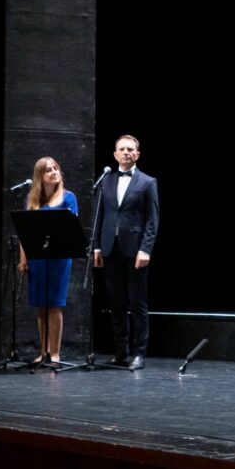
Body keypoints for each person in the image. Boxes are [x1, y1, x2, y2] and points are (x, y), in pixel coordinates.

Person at [93, 135, 160, 371]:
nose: (126, 152)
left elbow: (152, 220)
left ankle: (139, 353)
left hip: (135, 251)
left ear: (137, 154)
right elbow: (99, 216)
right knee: (117, 303)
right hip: (110, 249)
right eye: (121, 149)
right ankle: (121, 353)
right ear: (115, 154)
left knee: (137, 303)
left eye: (130, 149)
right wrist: (97, 247)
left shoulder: (148, 182)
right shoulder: (106, 181)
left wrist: (145, 249)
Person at [18, 157, 78, 364]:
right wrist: (23, 259)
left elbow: (70, 229)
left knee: (54, 305)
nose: (54, 172)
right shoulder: (32, 199)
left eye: (56, 168)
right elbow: (24, 232)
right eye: (48, 170)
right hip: (37, 258)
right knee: (41, 306)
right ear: (40, 176)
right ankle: (43, 352)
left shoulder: (68, 197)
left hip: (59, 258)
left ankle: (55, 353)